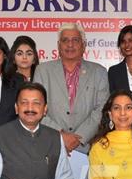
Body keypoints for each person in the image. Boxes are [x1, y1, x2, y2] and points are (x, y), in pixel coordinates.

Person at [0, 82, 73, 179]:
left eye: (36, 103)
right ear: (16, 108)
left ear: (45, 109)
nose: (30, 108)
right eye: (24, 102)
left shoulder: (55, 138)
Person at [34, 23, 109, 154]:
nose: (70, 45)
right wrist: (61, 135)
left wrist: (79, 137)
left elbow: (102, 109)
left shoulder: (99, 72)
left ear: (83, 45)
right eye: (65, 40)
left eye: (75, 40)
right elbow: (36, 107)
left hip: (86, 147)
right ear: (58, 45)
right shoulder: (42, 71)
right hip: (50, 145)